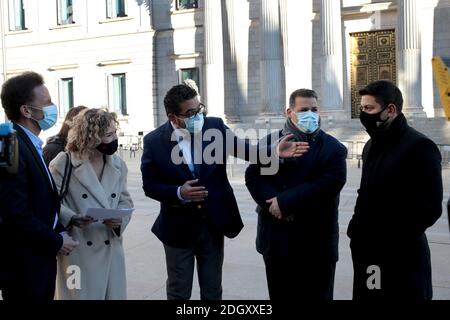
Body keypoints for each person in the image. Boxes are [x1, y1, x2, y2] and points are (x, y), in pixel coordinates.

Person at [141, 84, 308, 300]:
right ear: (173, 117)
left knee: (212, 289)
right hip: (177, 228)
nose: (198, 116)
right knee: (178, 290)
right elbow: (150, 185)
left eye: (199, 109)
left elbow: (245, 151)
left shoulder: (215, 127)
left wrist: (274, 152)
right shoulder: (154, 141)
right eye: (190, 114)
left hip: (213, 223)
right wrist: (179, 193)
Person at [245, 89, 347, 300]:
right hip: (276, 237)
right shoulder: (270, 142)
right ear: (289, 111)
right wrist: (273, 205)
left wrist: (284, 201)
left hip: (317, 242)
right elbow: (254, 176)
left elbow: (329, 183)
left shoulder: (333, 148)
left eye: (314, 109)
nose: (310, 114)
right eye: (304, 110)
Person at [347, 80, 443, 300]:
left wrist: (387, 240)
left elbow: (429, 209)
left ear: (390, 109)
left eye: (369, 109)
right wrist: (356, 231)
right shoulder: (371, 145)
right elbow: (365, 193)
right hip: (367, 254)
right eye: (362, 108)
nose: (363, 114)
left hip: (401, 256)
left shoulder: (420, 146)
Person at [0, 72, 78, 301]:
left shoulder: (28, 142)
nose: (53, 108)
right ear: (26, 111)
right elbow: (14, 212)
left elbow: (39, 201)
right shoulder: (9, 144)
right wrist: (56, 240)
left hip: (37, 259)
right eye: (47, 103)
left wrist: (61, 227)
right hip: (24, 267)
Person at [49, 108, 133, 300]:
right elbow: (49, 202)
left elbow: (124, 199)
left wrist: (119, 220)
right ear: (91, 137)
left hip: (111, 249)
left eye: (115, 133)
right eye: (109, 135)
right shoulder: (64, 162)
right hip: (77, 252)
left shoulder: (118, 164)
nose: (114, 139)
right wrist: (71, 217)